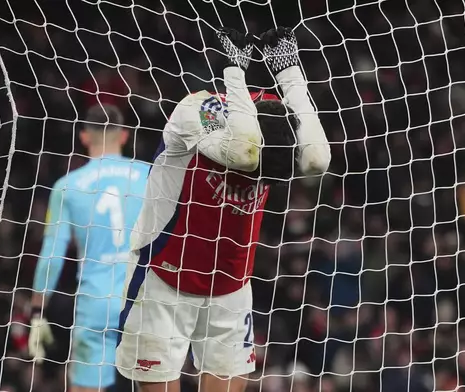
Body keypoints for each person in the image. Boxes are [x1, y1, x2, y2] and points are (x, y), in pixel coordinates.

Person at [115, 27, 331, 392]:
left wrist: (290, 73)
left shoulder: (276, 117)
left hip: (230, 286)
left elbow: (316, 158)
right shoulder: (196, 110)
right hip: (166, 277)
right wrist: (234, 69)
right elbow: (243, 154)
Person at [29, 104, 150, 392]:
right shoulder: (150, 175)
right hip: (145, 300)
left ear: (84, 137)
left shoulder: (67, 186)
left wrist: (36, 313)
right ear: (124, 136)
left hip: (96, 301)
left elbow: (52, 255)